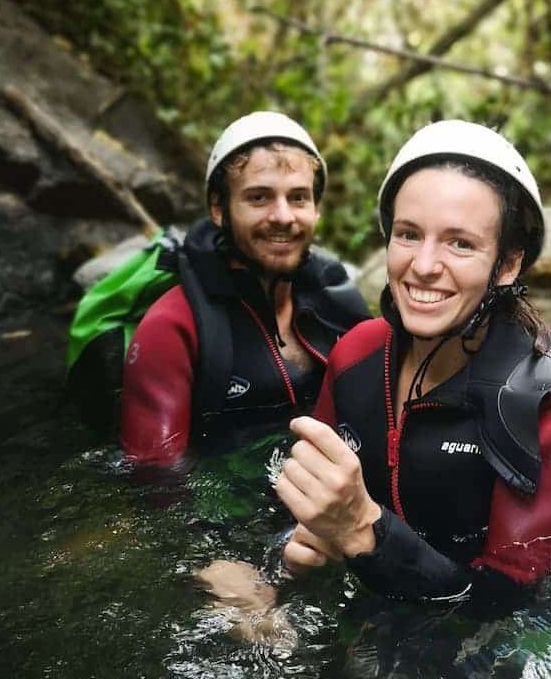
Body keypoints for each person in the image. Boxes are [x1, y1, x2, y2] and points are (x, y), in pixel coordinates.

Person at [273, 120, 551, 604]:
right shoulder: (356, 353)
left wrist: (365, 531)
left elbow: (510, 601)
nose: (423, 266)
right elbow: (293, 500)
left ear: (507, 264)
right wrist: (284, 559)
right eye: (408, 235)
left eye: (460, 243)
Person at [120, 111, 370, 466]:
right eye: (259, 198)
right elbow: (155, 482)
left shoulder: (336, 304)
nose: (283, 216)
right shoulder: (172, 329)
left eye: (298, 198)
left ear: (316, 211)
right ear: (219, 209)